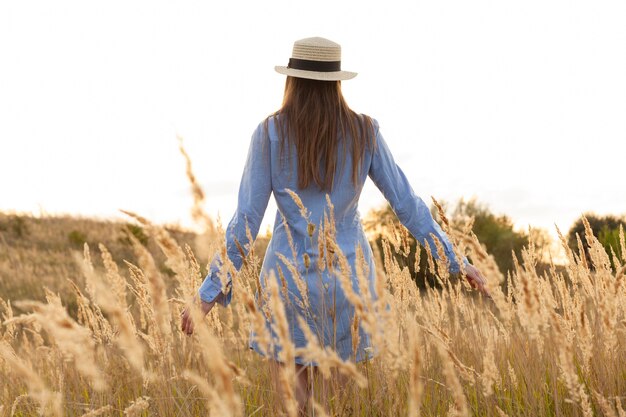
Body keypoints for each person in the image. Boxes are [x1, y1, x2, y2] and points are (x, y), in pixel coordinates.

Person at [181, 36, 490, 414]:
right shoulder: (365, 132)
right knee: (334, 409)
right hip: (348, 288)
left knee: (292, 410)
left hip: (286, 287)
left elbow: (246, 220)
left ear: (292, 79)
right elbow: (408, 205)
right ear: (337, 82)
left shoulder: (269, 133)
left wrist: (208, 293)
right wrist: (455, 261)